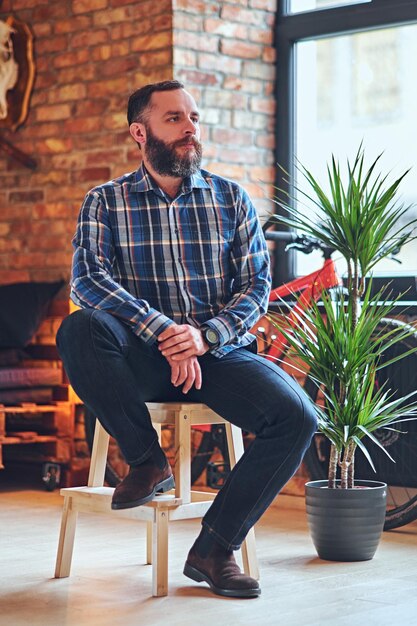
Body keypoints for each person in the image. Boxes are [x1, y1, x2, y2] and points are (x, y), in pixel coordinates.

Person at [56, 80, 317, 599]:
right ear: (140, 132)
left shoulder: (231, 198)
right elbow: (87, 279)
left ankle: (214, 549)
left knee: (298, 417)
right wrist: (165, 331)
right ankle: (147, 461)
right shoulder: (105, 201)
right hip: (139, 356)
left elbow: (255, 287)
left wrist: (202, 337)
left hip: (218, 353)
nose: (190, 127)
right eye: (174, 118)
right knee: (78, 328)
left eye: (194, 118)